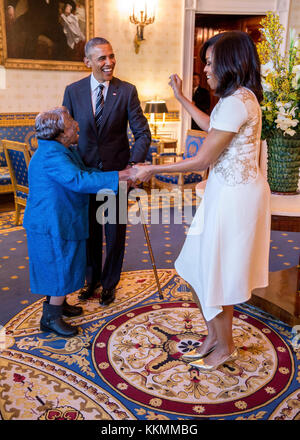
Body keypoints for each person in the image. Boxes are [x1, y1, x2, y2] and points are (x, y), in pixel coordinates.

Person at [134, 31, 271, 371]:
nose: (205, 69)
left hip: (235, 200)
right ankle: (214, 335)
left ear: (229, 62)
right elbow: (211, 126)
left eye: (210, 62)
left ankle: (224, 346)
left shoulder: (240, 100)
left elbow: (201, 159)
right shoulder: (234, 99)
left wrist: (151, 168)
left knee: (216, 273)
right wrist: (181, 97)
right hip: (223, 195)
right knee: (196, 268)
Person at [23, 107, 136, 338]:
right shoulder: (52, 155)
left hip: (62, 218)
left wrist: (121, 175)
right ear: (60, 132)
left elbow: (86, 171)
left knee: (64, 263)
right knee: (58, 266)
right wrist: (121, 177)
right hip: (51, 222)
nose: (77, 125)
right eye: (72, 122)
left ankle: (59, 304)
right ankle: (51, 318)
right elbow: (79, 180)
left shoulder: (62, 149)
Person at [62, 37, 151, 306]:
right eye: (102, 58)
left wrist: (132, 166)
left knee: (114, 235)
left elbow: (142, 133)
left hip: (116, 177)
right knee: (88, 233)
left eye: (111, 56)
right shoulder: (73, 91)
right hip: (85, 177)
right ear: (87, 62)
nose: (109, 62)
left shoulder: (127, 91)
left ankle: (110, 283)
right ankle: (92, 281)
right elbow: (66, 134)